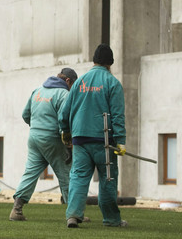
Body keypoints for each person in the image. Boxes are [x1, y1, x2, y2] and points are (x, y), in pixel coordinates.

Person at [58, 44, 127, 228]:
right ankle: (111, 219)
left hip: (80, 139)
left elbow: (64, 112)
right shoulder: (112, 83)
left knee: (79, 177)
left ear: (94, 60)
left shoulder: (79, 82)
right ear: (110, 63)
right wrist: (120, 141)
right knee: (108, 178)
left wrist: (65, 132)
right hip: (103, 141)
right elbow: (118, 115)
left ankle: (73, 215)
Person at [9, 67, 78, 221]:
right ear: (67, 80)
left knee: (30, 173)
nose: (72, 88)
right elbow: (64, 121)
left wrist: (37, 127)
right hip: (52, 139)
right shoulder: (63, 94)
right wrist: (68, 145)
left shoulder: (37, 91)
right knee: (66, 173)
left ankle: (17, 210)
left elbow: (25, 115)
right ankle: (73, 214)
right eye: (73, 84)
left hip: (34, 138)